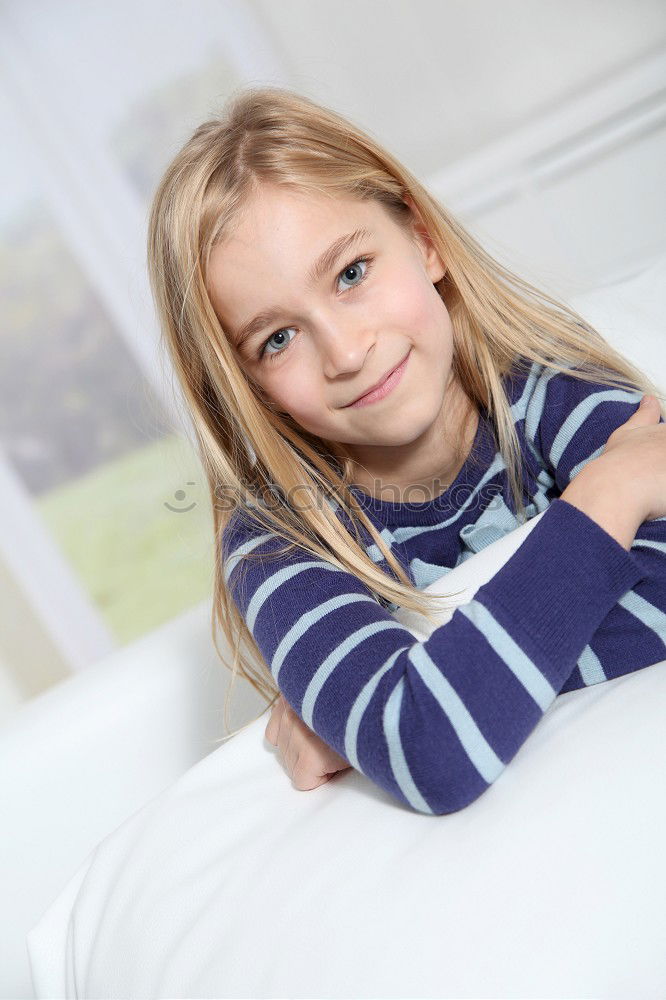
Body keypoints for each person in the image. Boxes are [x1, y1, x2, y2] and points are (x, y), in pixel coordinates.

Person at [146, 86, 666, 816]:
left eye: (352, 273)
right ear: (250, 389)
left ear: (423, 240)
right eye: (278, 339)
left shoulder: (548, 380)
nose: (348, 351)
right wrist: (612, 489)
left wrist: (409, 699)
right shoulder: (276, 540)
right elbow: (433, 750)